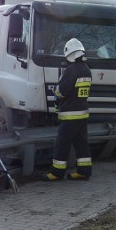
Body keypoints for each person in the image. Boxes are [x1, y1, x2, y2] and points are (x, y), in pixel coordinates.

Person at [41, 38, 92, 181]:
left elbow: (62, 90)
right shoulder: (86, 69)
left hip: (71, 114)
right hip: (82, 112)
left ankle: (56, 173)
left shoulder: (71, 70)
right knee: (81, 143)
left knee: (62, 143)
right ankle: (84, 170)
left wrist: (56, 93)